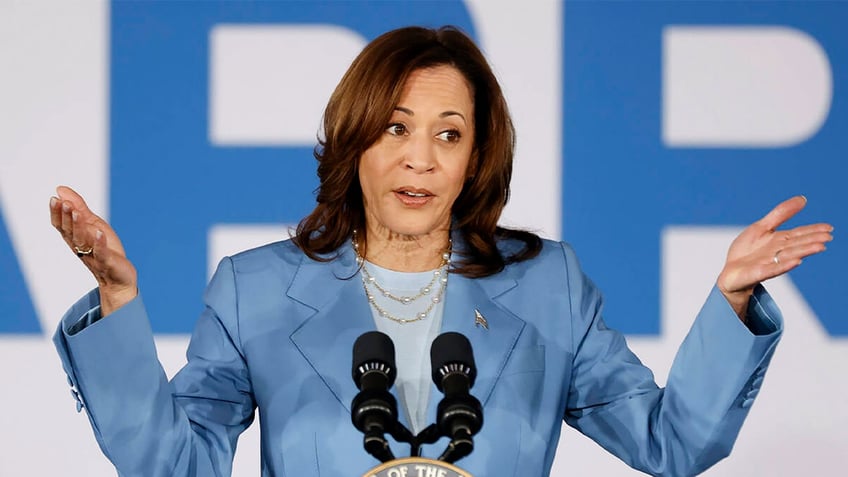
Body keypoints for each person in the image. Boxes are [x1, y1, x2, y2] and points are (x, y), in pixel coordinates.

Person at [49, 26, 832, 477]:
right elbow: (172, 465)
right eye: (394, 127)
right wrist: (119, 300)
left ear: (475, 156)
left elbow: (673, 441)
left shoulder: (545, 283)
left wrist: (730, 298)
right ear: (354, 139)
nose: (420, 158)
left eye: (448, 134)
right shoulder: (253, 289)